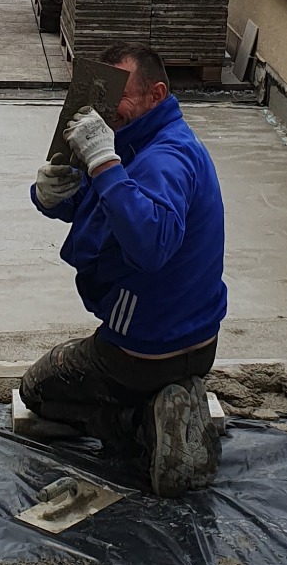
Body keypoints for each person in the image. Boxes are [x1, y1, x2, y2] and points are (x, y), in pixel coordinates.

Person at [21, 43, 226, 494]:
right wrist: (51, 196)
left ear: (156, 93)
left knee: (37, 390)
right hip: (197, 339)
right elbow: (109, 203)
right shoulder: (137, 139)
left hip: (144, 349)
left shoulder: (165, 158)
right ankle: (170, 398)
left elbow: (149, 244)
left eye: (123, 94)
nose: (110, 108)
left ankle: (141, 423)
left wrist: (104, 162)